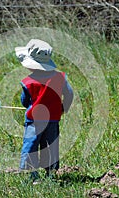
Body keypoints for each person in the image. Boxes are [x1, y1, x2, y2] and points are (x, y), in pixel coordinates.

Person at [15, 39, 74, 182]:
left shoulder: (28, 82)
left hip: (34, 120)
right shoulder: (60, 78)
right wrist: (63, 108)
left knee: (31, 144)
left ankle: (32, 175)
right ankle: (51, 173)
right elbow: (69, 94)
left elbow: (24, 101)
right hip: (53, 119)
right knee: (51, 145)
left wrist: (28, 105)